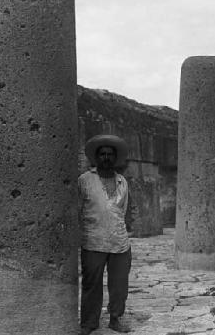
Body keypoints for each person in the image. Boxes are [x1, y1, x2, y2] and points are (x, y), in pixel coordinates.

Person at [78, 134, 133, 334]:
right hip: (93, 241)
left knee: (119, 286)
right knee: (91, 285)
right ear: (97, 157)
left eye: (110, 154)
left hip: (120, 242)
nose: (107, 158)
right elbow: (78, 208)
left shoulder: (122, 181)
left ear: (115, 158)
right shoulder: (84, 180)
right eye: (103, 154)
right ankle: (89, 323)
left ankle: (115, 318)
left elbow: (123, 210)